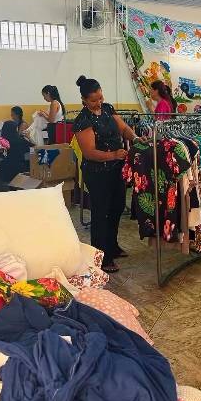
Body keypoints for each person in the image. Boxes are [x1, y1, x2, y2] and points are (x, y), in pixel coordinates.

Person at [73, 75, 147, 273]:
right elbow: (89, 152)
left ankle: (112, 246)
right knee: (101, 213)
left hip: (116, 169)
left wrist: (135, 138)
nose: (99, 102)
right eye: (93, 100)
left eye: (100, 97)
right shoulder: (82, 121)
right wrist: (113, 154)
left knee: (116, 208)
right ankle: (101, 257)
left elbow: (123, 128)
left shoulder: (107, 109)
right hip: (97, 172)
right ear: (84, 100)